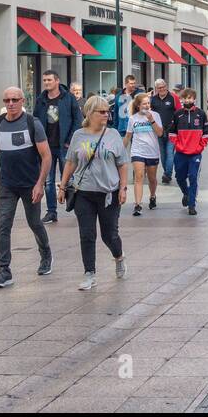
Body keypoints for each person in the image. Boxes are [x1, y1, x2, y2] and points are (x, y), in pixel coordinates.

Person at [60, 96, 129, 291]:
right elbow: (71, 162)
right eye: (102, 112)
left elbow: (122, 164)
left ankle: (119, 256)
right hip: (84, 193)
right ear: (89, 113)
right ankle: (89, 274)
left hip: (109, 193)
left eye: (108, 111)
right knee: (87, 234)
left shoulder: (113, 134)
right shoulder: (78, 135)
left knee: (109, 235)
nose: (106, 115)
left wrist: (123, 188)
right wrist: (63, 186)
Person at [0, 86, 52, 289]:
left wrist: (40, 184)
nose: (10, 104)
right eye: (7, 100)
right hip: (7, 185)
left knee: (34, 222)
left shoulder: (33, 123)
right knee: (3, 225)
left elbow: (46, 156)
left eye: (15, 100)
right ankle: (4, 270)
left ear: (23, 101)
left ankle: (46, 254)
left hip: (30, 184)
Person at [33, 69, 83, 224]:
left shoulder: (68, 98)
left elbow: (77, 119)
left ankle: (77, 209)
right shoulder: (41, 99)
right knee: (47, 181)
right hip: (46, 147)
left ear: (56, 81)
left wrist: (70, 140)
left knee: (68, 178)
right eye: (45, 80)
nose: (46, 83)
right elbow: (35, 120)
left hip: (64, 145)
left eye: (49, 80)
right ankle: (51, 212)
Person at [168, 88, 208, 215]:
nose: (187, 100)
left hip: (195, 154)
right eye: (185, 98)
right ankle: (186, 193)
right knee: (179, 177)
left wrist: (199, 148)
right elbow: (172, 133)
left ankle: (192, 205)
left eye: (190, 98)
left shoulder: (201, 114)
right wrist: (179, 145)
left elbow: (206, 134)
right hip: (180, 153)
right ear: (182, 99)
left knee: (193, 177)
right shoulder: (177, 114)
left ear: (194, 99)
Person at [123, 93, 162, 217]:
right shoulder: (133, 118)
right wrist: (120, 150)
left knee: (152, 179)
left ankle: (152, 196)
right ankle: (138, 204)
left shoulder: (155, 115)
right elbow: (128, 136)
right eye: (144, 103)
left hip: (152, 152)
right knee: (138, 177)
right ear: (138, 105)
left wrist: (151, 120)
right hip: (137, 151)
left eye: (148, 103)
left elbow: (160, 133)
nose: (147, 106)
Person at [148, 80, 180, 196]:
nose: (161, 89)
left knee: (170, 152)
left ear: (166, 86)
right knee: (162, 154)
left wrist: (178, 127)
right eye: (159, 88)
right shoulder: (153, 99)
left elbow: (179, 112)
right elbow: (149, 112)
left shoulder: (173, 97)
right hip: (158, 131)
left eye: (163, 87)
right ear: (156, 88)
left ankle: (167, 174)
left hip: (171, 130)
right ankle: (167, 172)